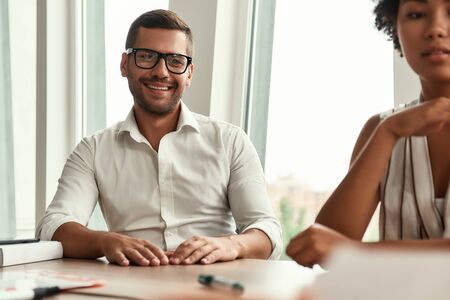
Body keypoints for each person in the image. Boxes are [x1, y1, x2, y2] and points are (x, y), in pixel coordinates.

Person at [36, 9, 282, 267]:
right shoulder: (93, 149)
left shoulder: (231, 141)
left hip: (214, 285)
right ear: (124, 65)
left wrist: (230, 244)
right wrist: (104, 241)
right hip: (132, 286)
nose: (161, 72)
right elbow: (53, 226)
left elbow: (267, 230)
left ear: (189, 73)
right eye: (146, 57)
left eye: (175, 61)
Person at [286, 0, 450, 267]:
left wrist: (360, 254)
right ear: (395, 28)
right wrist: (388, 133)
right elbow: (321, 249)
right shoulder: (382, 128)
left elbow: (338, 248)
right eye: (417, 14)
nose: (435, 29)